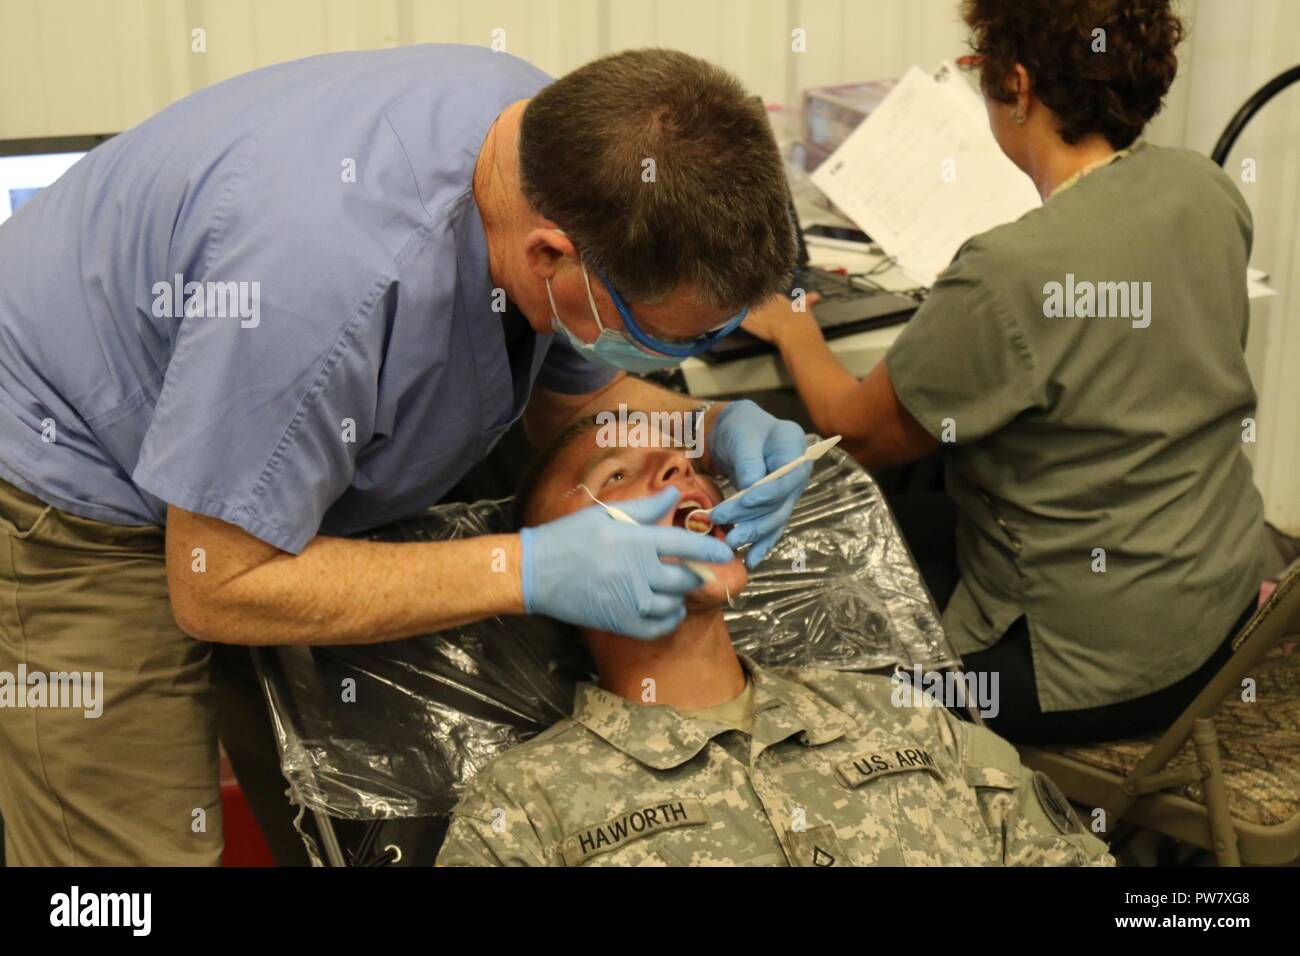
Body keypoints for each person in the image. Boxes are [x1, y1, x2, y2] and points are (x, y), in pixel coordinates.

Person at [0, 45, 813, 865]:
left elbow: (582, 398)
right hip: (67, 467)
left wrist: (709, 425)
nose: (668, 473)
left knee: (318, 796)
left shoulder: (569, 150)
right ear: (548, 256)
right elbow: (219, 582)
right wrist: (521, 571)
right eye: (653, 336)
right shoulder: (321, 285)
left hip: (247, 432)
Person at [741, 0, 1262, 745]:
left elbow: (856, 436)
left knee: (777, 606)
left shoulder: (1007, 271)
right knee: (906, 507)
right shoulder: (1204, 187)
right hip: (1219, 611)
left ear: (1017, 86)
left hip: (1089, 669)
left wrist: (794, 329)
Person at [434, 416, 1114, 867]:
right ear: (555, 566)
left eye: (683, 463)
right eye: (617, 476)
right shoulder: (523, 808)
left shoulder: (901, 717)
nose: (679, 469)